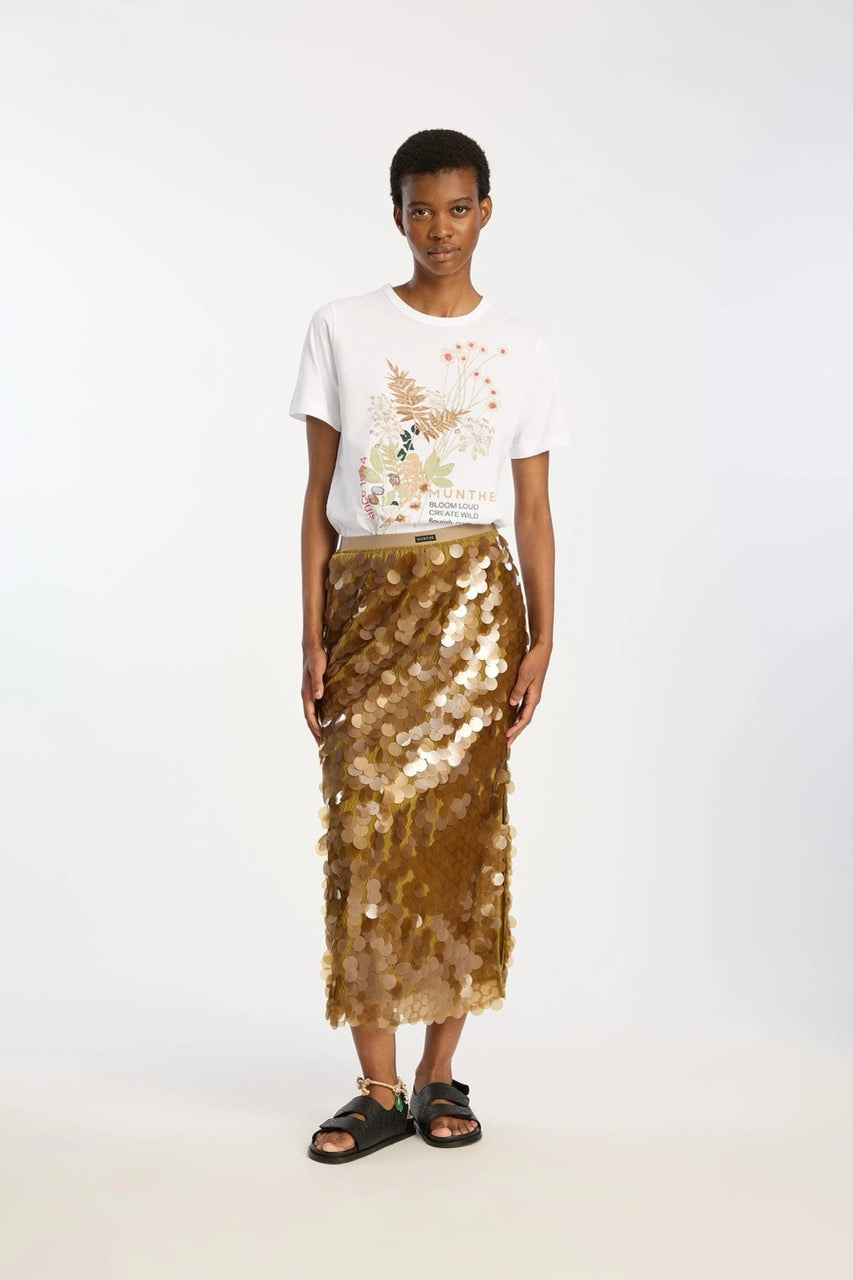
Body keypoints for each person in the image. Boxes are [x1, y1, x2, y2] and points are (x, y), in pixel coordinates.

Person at [289, 128, 570, 1163]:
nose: (438, 229)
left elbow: (532, 510)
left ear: (484, 210)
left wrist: (542, 637)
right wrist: (311, 631)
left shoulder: (521, 347)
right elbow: (317, 497)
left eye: (457, 208)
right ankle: (374, 1085)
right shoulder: (341, 327)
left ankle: (437, 1072)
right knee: (364, 832)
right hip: (366, 598)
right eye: (420, 209)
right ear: (397, 214)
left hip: (473, 606)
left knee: (459, 837)